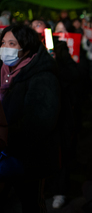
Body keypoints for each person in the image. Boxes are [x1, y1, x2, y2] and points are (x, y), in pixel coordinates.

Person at [0, 25, 60, 212]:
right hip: (3, 152)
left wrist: (6, 135)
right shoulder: (2, 71)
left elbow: (40, 121)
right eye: (2, 43)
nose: (5, 48)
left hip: (28, 158)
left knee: (31, 204)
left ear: (26, 48)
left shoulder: (42, 76)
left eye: (12, 43)